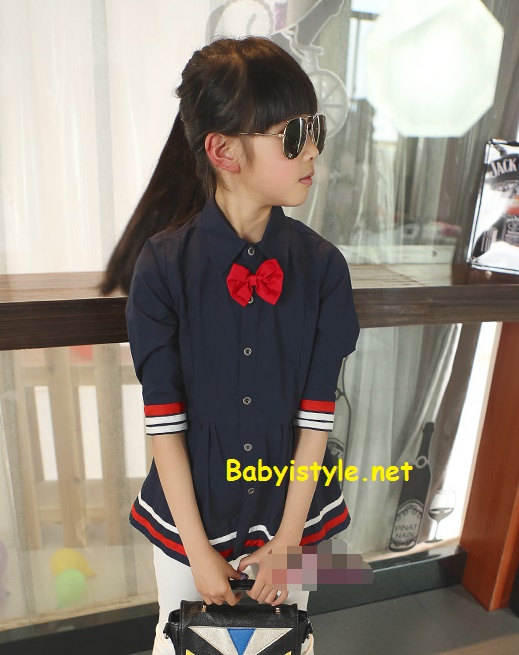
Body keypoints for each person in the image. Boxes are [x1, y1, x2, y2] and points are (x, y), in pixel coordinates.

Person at [102, 36, 360, 655]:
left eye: (315, 129)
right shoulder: (163, 266)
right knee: (180, 639)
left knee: (285, 640)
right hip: (189, 515)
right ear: (223, 150)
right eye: (292, 135)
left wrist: (290, 541)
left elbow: (316, 416)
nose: (313, 150)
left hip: (293, 509)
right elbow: (165, 422)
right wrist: (196, 551)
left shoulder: (323, 267)